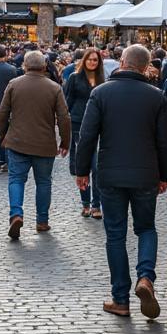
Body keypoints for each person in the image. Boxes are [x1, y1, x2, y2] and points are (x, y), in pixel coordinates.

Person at [73, 45, 167, 319]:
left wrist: (81, 171)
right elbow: (165, 142)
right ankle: (146, 277)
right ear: (144, 66)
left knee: (115, 235)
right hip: (145, 174)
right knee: (146, 229)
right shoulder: (156, 96)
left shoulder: (101, 93)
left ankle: (121, 299)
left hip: (110, 174)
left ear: (123, 62)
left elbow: (88, 135)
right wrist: (165, 175)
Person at [0, 51, 72, 239]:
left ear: (25, 66)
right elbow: (64, 117)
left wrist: (2, 136)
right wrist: (65, 141)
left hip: (18, 141)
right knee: (44, 182)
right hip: (44, 143)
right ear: (45, 66)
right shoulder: (54, 88)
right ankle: (42, 221)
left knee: (16, 179)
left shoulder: (14, 84)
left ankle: (16, 214)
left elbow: (2, 114)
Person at [64, 48, 106, 219]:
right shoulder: (74, 78)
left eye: (95, 60)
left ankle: (96, 204)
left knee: (97, 167)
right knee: (84, 163)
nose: (92, 62)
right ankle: (85, 204)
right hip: (78, 122)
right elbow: (68, 100)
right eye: (89, 59)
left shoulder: (102, 79)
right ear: (84, 61)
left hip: (98, 124)